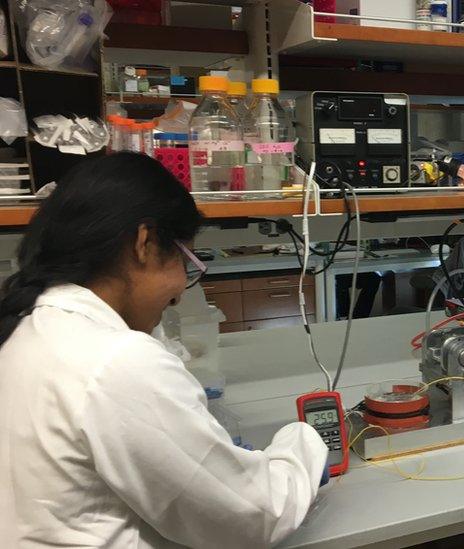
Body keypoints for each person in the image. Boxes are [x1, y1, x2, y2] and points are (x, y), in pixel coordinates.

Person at [0, 153, 328, 548]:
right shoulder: (115, 361)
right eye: (186, 263)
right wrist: (305, 442)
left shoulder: (32, 331)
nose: (177, 296)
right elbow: (255, 516)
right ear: (145, 243)